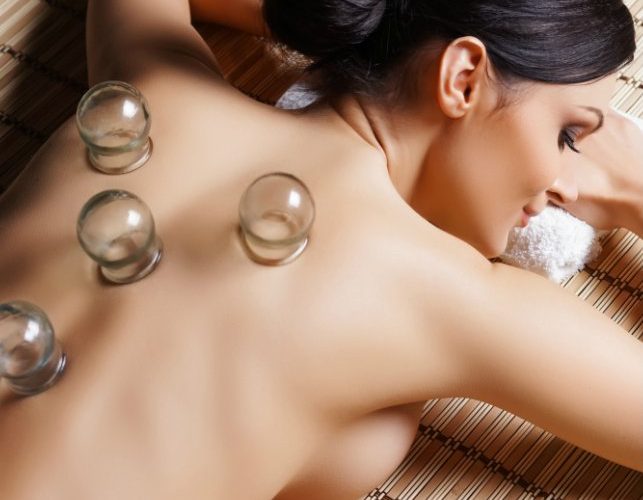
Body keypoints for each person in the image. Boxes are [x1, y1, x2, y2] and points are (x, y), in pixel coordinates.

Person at [0, 0, 641, 498]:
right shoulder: (449, 298)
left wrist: (365, 21)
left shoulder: (154, 95)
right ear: (464, 77)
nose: (568, 185)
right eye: (568, 135)